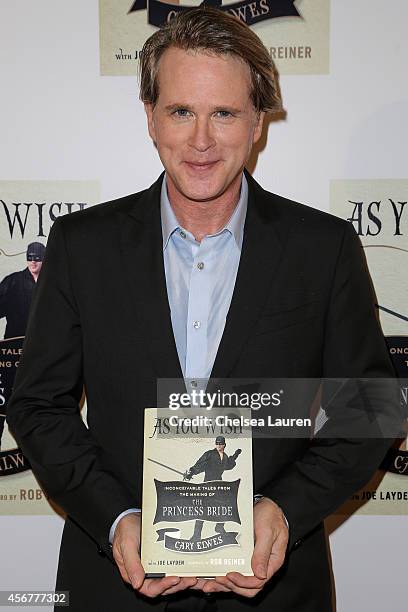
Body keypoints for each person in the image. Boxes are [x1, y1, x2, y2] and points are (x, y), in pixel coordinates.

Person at [7, 8, 396, 612]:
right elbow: (37, 404)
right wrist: (115, 520)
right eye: (181, 111)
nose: (201, 141)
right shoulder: (83, 245)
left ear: (258, 121)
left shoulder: (324, 248)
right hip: (114, 589)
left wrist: (286, 511)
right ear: (150, 118)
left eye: (225, 113)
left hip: (275, 592)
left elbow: (368, 407)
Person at [184, 435, 242, 542]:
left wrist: (236, 455)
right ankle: (196, 535)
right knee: (203, 510)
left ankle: (219, 527)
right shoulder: (210, 454)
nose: (219, 445)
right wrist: (191, 472)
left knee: (225, 506)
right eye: (217, 443)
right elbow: (200, 464)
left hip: (218, 485)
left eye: (221, 444)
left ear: (224, 445)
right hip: (208, 485)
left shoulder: (224, 456)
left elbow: (228, 465)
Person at [0, 241, 45, 339]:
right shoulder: (11, 281)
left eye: (37, 258)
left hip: (45, 343)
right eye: (30, 257)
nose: (33, 261)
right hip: (15, 342)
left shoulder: (54, 282)